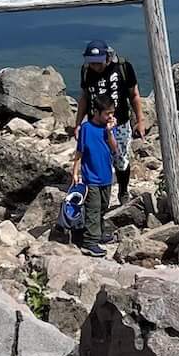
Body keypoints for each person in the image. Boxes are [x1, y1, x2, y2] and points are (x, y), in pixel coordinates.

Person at [77, 40, 144, 208]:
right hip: (94, 125)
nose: (95, 66)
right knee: (95, 158)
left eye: (98, 62)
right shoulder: (86, 71)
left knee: (120, 159)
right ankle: (97, 194)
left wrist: (140, 120)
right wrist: (78, 123)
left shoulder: (123, 67)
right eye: (91, 62)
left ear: (107, 57)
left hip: (120, 123)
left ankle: (123, 190)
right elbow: (85, 97)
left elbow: (134, 95)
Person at [70, 99, 118, 257]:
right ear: (96, 112)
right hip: (91, 177)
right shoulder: (86, 129)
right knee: (93, 208)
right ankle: (90, 242)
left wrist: (110, 132)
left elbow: (114, 148)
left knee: (103, 207)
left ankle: (99, 233)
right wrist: (75, 172)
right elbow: (79, 153)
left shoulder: (108, 128)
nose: (110, 116)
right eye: (107, 113)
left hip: (106, 175)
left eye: (112, 113)